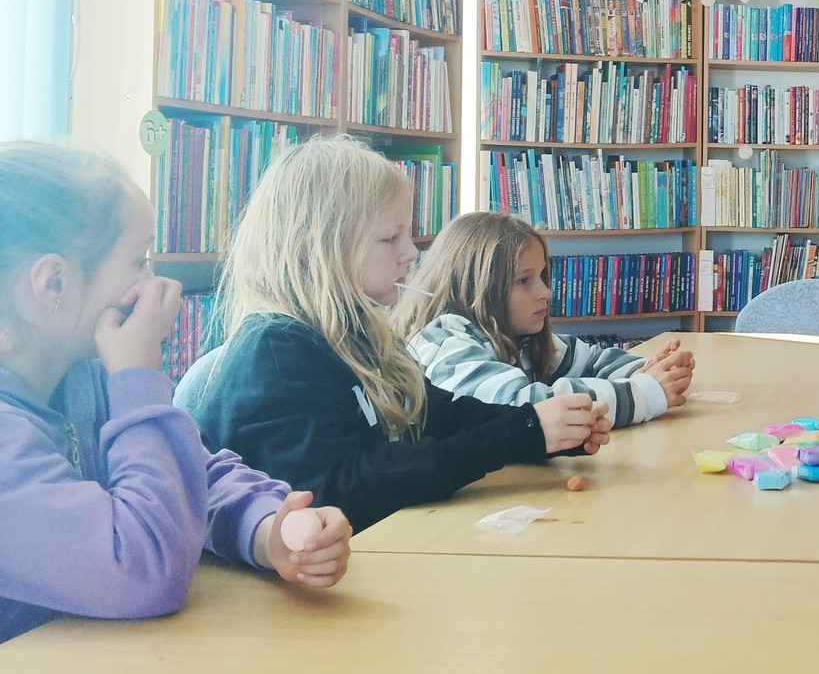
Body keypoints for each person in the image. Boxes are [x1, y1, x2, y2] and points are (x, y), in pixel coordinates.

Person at [0, 142, 350, 643]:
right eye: (139, 261)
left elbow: (190, 476)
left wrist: (269, 528)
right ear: (53, 283)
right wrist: (137, 379)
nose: (160, 285)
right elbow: (143, 571)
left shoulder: (82, 377)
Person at [175, 137, 611, 531]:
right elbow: (346, 488)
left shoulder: (358, 333)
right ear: (314, 248)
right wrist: (524, 433)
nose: (410, 252)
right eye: (390, 238)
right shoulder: (275, 352)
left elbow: (438, 416)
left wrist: (544, 431)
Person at [393, 212, 693, 427]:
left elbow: (592, 362)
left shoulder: (514, 336)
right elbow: (522, 410)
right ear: (474, 287)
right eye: (524, 280)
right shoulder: (445, 342)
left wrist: (650, 369)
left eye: (541, 276)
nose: (546, 292)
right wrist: (644, 393)